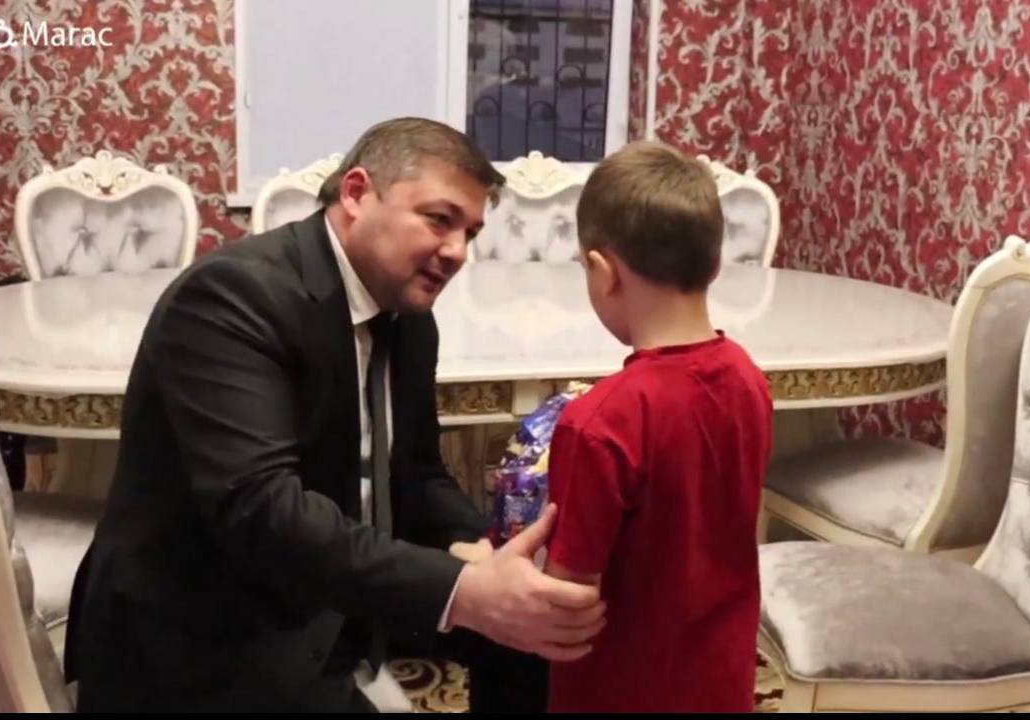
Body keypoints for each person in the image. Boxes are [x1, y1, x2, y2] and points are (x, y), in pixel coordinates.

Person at [65, 117, 604, 712]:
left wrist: (485, 548)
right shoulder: (232, 297)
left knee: (537, 638)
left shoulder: (407, 312)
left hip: (336, 591)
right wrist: (462, 589)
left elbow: (417, 475)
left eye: (470, 232)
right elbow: (263, 510)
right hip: (210, 632)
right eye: (439, 219)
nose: (457, 251)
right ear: (355, 193)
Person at [543, 142, 773, 712]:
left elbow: (569, 597)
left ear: (603, 272)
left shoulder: (598, 422)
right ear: (714, 264)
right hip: (721, 681)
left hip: (621, 692)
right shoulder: (749, 379)